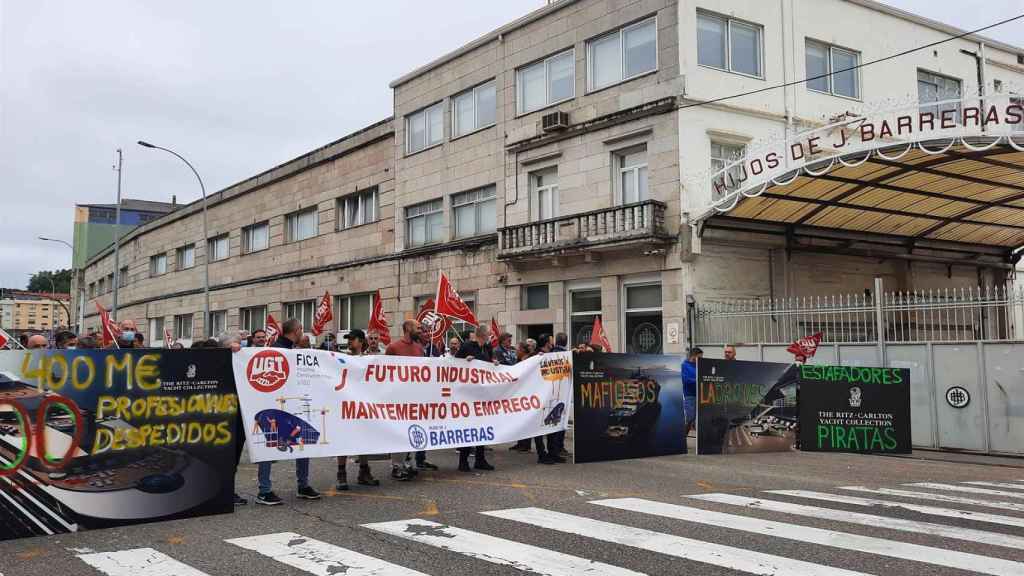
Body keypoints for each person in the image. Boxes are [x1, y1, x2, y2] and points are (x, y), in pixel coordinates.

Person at [256, 318, 321, 505]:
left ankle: (303, 485)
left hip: (294, 404)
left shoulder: (293, 351)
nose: (303, 332)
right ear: (297, 330)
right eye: (302, 329)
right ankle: (264, 490)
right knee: (269, 445)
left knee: (303, 442)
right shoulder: (277, 350)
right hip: (275, 406)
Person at [385, 319, 436, 479]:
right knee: (398, 432)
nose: (420, 331)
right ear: (408, 328)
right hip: (398, 398)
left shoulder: (419, 348)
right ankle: (396, 466)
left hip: (414, 399)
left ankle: (407, 462)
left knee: (410, 431)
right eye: (418, 328)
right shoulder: (393, 348)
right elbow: (385, 373)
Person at [335, 329, 380, 491]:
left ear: (361, 341)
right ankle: (341, 474)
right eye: (348, 339)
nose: (349, 342)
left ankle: (364, 471)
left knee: (363, 439)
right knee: (343, 440)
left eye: (352, 339)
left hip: (362, 405)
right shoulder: (342, 358)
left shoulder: (368, 360)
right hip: (345, 405)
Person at [454, 324, 496, 472]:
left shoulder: (487, 348)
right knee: (469, 428)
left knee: (482, 427)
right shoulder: (467, 346)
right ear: (482, 335)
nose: (491, 337)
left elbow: (487, 364)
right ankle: (463, 461)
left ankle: (480, 459)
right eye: (489, 334)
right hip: (468, 394)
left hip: (482, 394)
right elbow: (453, 365)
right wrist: (465, 360)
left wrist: (494, 364)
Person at [683, 347, 703, 437]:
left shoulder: (698, 366)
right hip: (689, 396)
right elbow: (686, 380)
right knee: (690, 418)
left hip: (700, 395)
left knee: (699, 420)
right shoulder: (684, 365)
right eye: (699, 357)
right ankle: (682, 438)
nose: (701, 359)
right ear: (693, 356)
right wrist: (698, 380)